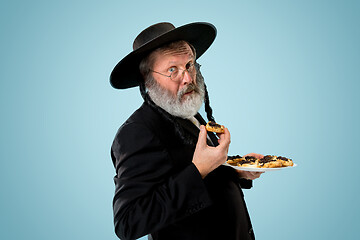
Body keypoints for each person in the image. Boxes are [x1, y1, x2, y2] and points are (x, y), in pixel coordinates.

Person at [109, 22, 263, 240]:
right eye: (172, 70)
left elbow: (188, 171)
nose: (188, 78)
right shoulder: (136, 132)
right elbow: (128, 222)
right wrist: (197, 169)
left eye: (189, 65)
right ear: (148, 79)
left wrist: (236, 170)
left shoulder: (185, 111)